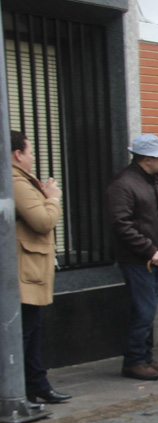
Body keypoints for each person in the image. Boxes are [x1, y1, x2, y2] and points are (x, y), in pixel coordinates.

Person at [106, 134, 158, 381]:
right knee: (144, 311)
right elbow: (121, 224)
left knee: (147, 309)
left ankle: (143, 356)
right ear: (147, 159)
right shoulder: (124, 184)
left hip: (151, 256)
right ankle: (135, 359)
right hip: (138, 259)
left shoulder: (147, 180)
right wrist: (150, 249)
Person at [12, 131, 71, 403]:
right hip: (25, 272)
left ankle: (37, 385)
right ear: (18, 155)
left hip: (29, 271)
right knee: (24, 334)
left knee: (32, 332)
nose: (33, 157)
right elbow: (42, 221)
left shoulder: (20, 179)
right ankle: (21, 390)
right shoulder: (16, 181)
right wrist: (54, 197)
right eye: (30, 151)